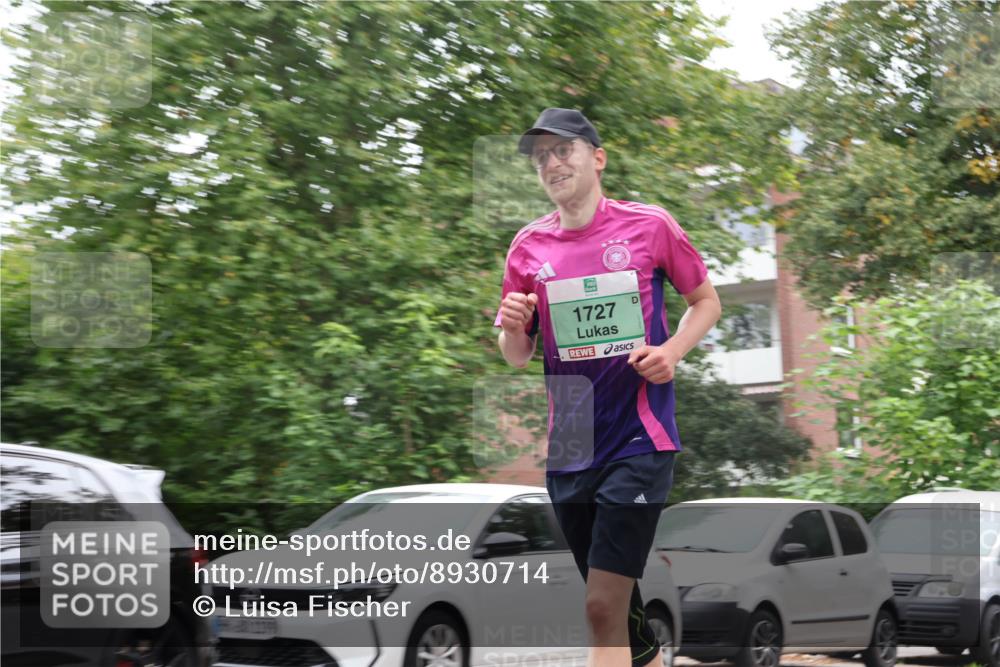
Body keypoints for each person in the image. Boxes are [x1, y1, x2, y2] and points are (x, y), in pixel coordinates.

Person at [494, 108, 722, 667]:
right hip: (571, 442)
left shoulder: (649, 226)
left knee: (601, 606)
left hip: (639, 439)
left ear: (597, 158)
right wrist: (514, 324)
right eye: (541, 155)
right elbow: (517, 354)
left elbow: (706, 303)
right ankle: (643, 652)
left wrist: (671, 352)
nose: (551, 162)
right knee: (623, 619)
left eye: (562, 149)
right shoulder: (527, 247)